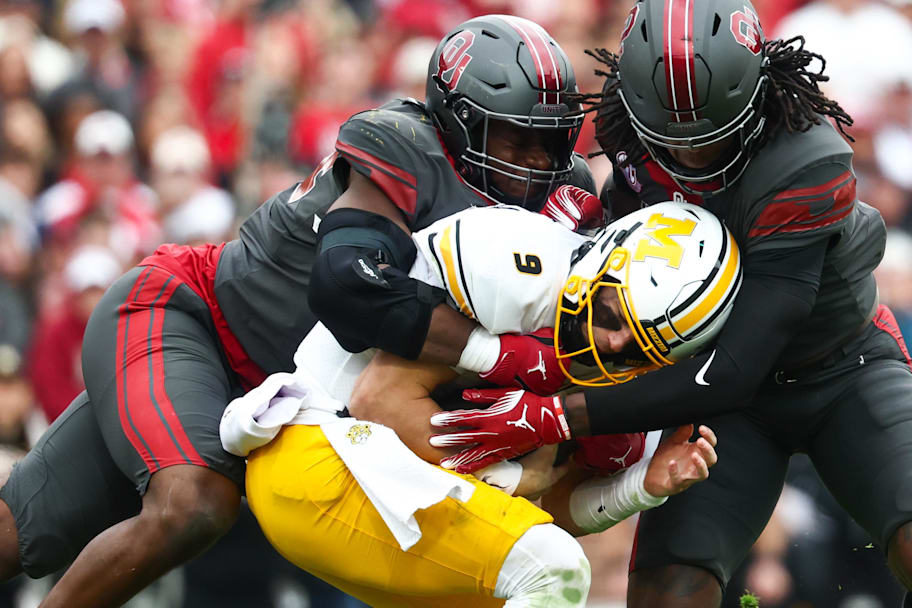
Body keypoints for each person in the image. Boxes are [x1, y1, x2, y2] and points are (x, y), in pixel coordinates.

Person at [0, 15, 598, 608]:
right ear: (458, 122)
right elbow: (349, 287)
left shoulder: (567, 197)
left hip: (293, 411)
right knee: (190, 504)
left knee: (17, 532)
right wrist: (499, 355)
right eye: (515, 138)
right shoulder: (405, 148)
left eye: (550, 140)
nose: (536, 162)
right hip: (192, 322)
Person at [429, 2, 912, 607]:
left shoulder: (805, 159)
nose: (692, 156)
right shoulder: (624, 112)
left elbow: (737, 366)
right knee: (668, 596)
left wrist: (560, 413)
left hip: (836, 368)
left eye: (712, 137)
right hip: (711, 390)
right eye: (671, 141)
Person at [224, 201, 737, 606]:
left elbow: (546, 515)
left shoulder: (625, 386)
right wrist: (524, 476)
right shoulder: (521, 280)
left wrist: (640, 488)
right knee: (552, 572)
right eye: (610, 311)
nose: (613, 344)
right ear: (606, 258)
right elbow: (378, 399)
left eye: (641, 343)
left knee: (527, 580)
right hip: (320, 455)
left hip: (384, 496)